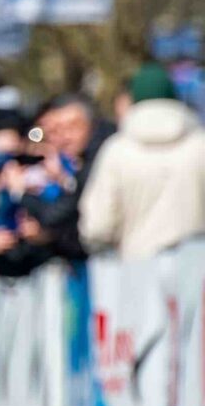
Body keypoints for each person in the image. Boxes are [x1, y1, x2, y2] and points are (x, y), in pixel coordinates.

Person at [80, 63, 205, 260]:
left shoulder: (117, 151)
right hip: (197, 267)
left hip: (137, 267)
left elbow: (97, 225)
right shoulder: (200, 145)